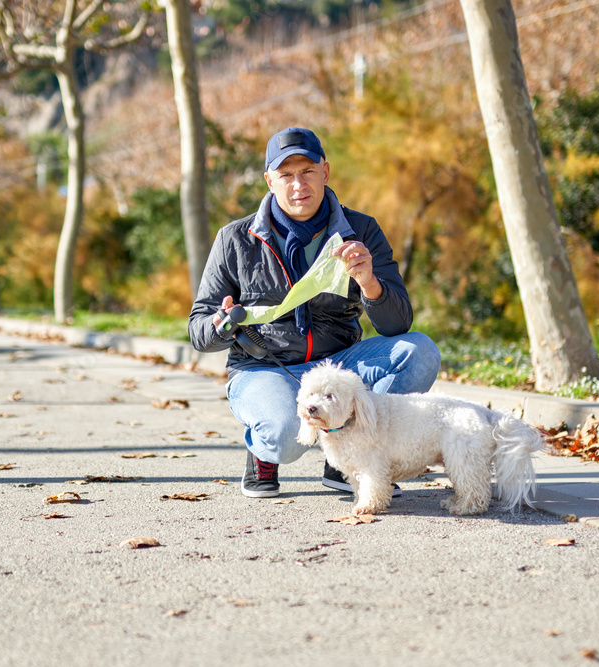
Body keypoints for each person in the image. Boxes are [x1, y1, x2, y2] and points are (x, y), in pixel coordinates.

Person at [188, 127, 441, 498]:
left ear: (325, 171)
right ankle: (263, 452)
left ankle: (349, 456)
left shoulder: (362, 230)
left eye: (307, 171)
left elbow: (398, 323)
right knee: (286, 435)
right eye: (286, 175)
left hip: (338, 366)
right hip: (266, 367)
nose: (298, 185)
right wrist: (221, 323)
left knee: (420, 354)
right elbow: (197, 331)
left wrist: (370, 282)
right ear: (269, 181)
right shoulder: (234, 238)